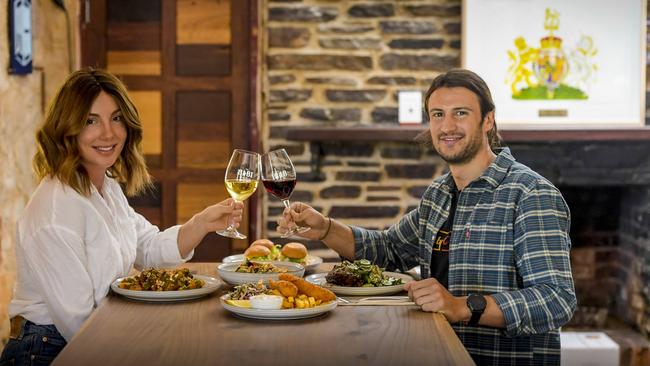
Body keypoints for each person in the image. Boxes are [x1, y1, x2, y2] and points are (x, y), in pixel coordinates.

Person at [278, 69, 576, 365]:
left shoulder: (530, 194)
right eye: (437, 114)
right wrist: (325, 229)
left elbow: (557, 300)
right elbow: (389, 249)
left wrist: (462, 307)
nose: (447, 126)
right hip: (438, 352)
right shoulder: (439, 194)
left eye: (460, 113)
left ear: (488, 119)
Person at [1, 69, 243, 365]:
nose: (108, 133)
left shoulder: (104, 186)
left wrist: (201, 223)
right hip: (47, 349)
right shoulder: (55, 211)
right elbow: (80, 324)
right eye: (91, 121)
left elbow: (148, 248)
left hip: (95, 332)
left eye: (116, 118)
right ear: (67, 129)